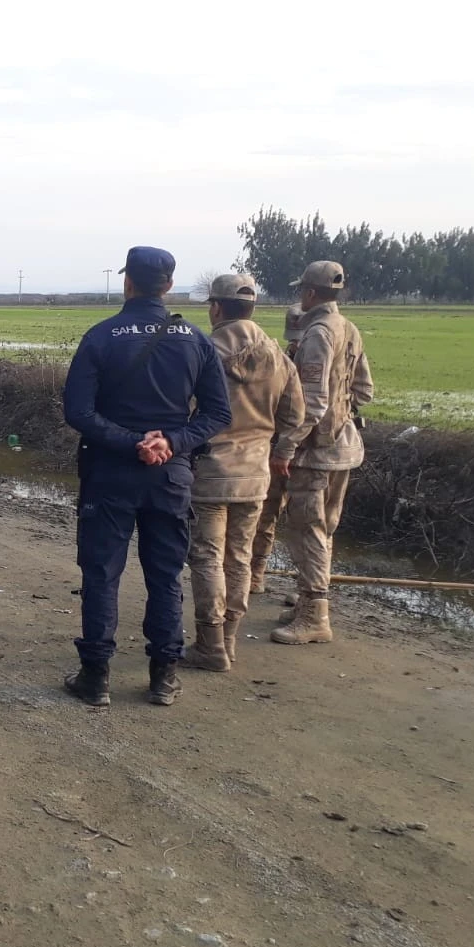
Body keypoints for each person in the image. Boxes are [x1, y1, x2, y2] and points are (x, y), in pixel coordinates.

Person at [61, 246, 232, 707]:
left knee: (101, 574)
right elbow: (218, 413)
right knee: (165, 576)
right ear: (170, 285)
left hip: (108, 474)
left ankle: (95, 678)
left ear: (127, 283)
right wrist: (170, 443)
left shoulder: (100, 336)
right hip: (170, 476)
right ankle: (164, 677)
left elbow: (77, 412)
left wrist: (127, 441)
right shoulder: (195, 340)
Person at [183, 274, 306, 671]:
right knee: (239, 558)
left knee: (206, 557)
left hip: (210, 470)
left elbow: (180, 409)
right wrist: (279, 449)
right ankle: (230, 640)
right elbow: (296, 416)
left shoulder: (202, 352)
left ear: (216, 308)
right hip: (255, 475)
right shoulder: (278, 356)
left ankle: (209, 643)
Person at [272, 261, 374, 644]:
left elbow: (311, 404)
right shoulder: (349, 329)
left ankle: (315, 613)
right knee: (325, 526)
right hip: (344, 445)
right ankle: (308, 600)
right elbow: (364, 390)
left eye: (302, 290)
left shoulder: (317, 333)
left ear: (310, 293)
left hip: (317, 452)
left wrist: (286, 445)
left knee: (308, 528)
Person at [248, 304, 309, 594]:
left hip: (291, 449)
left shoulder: (288, 359)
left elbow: (299, 413)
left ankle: (303, 591)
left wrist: (284, 448)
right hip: (295, 448)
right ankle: (256, 574)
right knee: (268, 513)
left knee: (301, 522)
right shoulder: (282, 358)